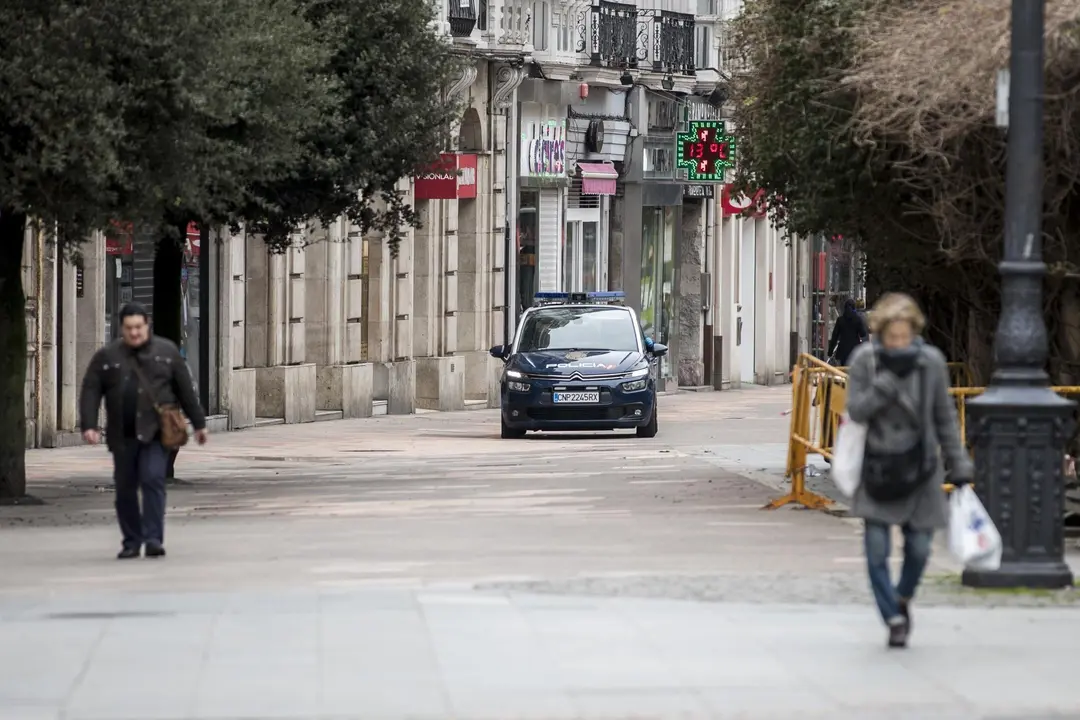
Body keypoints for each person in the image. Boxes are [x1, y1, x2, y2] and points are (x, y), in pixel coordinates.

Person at [845, 293, 971, 648]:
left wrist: (958, 464)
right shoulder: (865, 361)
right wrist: (883, 388)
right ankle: (894, 618)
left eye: (904, 337)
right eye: (891, 337)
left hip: (921, 469)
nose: (898, 344)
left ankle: (902, 597)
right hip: (878, 468)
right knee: (875, 551)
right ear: (880, 333)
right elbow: (855, 410)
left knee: (918, 549)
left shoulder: (929, 362)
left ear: (914, 332)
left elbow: (944, 417)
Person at [79, 303, 208, 559]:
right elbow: (91, 390)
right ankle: (131, 540)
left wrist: (199, 424)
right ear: (121, 328)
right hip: (122, 435)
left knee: (152, 480)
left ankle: (152, 539)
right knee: (125, 489)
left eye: (138, 327)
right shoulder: (108, 357)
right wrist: (89, 425)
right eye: (129, 328)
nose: (134, 333)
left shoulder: (166, 352)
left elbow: (186, 392)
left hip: (155, 434)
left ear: (146, 325)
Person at [828, 298, 869, 366]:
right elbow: (863, 334)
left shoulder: (840, 320)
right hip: (855, 350)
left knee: (843, 371)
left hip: (843, 351)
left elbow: (835, 336)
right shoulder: (857, 319)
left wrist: (830, 351)